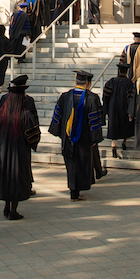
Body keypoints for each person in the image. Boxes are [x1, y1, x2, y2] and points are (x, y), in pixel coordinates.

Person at [48, 70, 104, 201]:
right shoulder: (92, 98)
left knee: (71, 164)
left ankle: (74, 192)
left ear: (75, 81)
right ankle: (76, 192)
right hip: (84, 140)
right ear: (88, 83)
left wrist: (61, 133)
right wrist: (94, 138)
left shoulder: (65, 96)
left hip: (68, 139)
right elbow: (95, 121)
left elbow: (58, 117)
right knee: (82, 164)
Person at [0, 75, 39, 220]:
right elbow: (33, 129)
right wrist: (31, 143)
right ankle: (13, 210)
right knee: (17, 178)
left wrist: (1, 142)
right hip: (20, 150)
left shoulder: (3, 107)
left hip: (4, 149)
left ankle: (6, 207)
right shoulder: (27, 107)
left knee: (6, 177)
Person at [102, 63, 134, 159]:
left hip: (113, 109)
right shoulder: (129, 83)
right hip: (124, 108)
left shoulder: (111, 82)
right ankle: (124, 142)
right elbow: (131, 98)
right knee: (126, 126)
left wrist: (106, 109)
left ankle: (114, 148)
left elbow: (105, 97)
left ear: (118, 71)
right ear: (127, 72)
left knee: (114, 128)